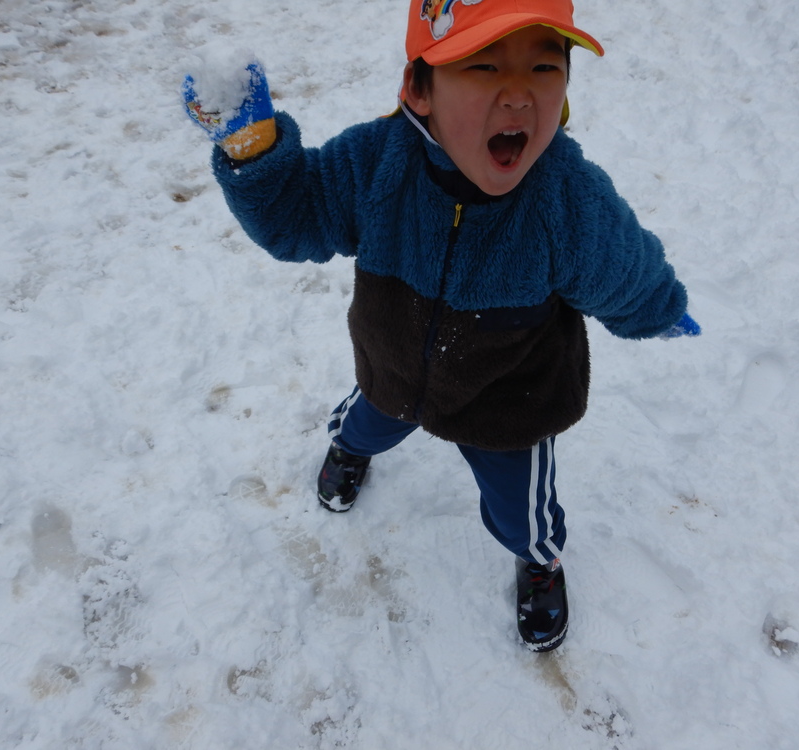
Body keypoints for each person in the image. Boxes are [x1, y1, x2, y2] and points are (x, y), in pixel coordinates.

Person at [182, 0, 700, 652]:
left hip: (511, 400)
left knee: (523, 511)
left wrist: (660, 307)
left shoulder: (564, 196)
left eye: (544, 64)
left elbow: (621, 266)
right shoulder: (377, 163)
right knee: (366, 419)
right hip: (395, 370)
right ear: (418, 90)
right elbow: (299, 217)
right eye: (484, 65)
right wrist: (253, 152)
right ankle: (350, 448)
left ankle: (539, 559)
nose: (517, 93)